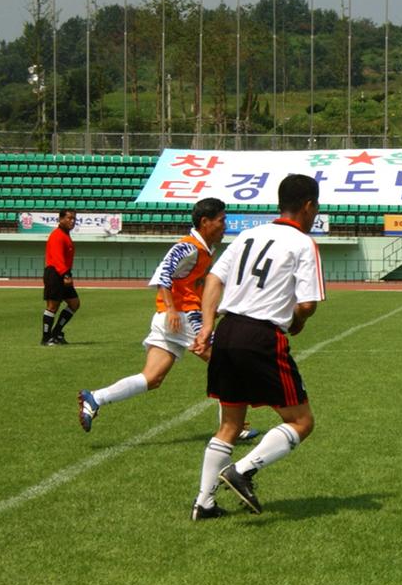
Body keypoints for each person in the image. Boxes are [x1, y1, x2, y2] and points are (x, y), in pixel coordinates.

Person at [189, 174, 326, 520]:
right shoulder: (302, 242)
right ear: (309, 206)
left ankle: (204, 503)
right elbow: (308, 303)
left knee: (230, 424)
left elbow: (214, 279)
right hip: (261, 337)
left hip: (228, 332)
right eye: (316, 206)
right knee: (301, 421)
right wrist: (296, 322)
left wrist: (207, 326)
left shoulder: (248, 235)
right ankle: (244, 470)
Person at [76, 198, 257, 442]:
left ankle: (95, 398)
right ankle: (235, 427)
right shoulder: (188, 247)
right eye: (221, 220)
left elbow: (188, 284)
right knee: (227, 364)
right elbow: (163, 273)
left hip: (171, 319)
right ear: (205, 222)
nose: (225, 226)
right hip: (182, 317)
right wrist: (172, 309)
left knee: (152, 378)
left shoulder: (203, 249)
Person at [41, 208, 80, 345]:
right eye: (69, 218)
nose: (72, 221)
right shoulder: (57, 235)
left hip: (62, 273)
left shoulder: (65, 235)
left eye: (74, 218)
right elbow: (58, 258)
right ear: (61, 219)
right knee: (52, 306)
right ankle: (46, 338)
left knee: (74, 303)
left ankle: (56, 333)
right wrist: (66, 275)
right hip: (55, 273)